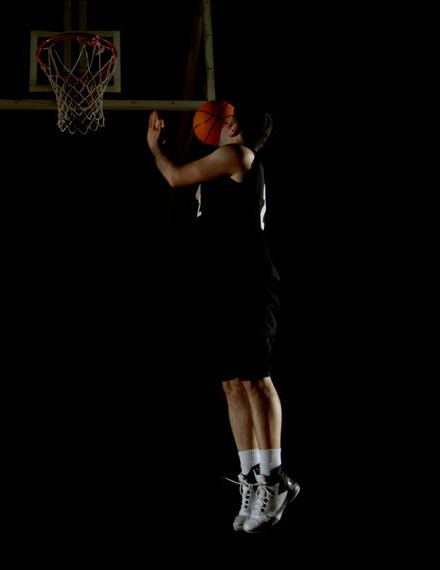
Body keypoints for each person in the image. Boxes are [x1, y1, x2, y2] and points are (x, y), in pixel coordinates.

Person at [147, 101, 299, 533]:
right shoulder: (221, 167)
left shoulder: (239, 155)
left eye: (227, 120)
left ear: (232, 126)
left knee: (256, 380)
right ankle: (251, 476)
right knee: (232, 383)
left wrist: (154, 146)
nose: (222, 123)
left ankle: (274, 478)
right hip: (222, 288)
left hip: (250, 284)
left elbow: (175, 176)